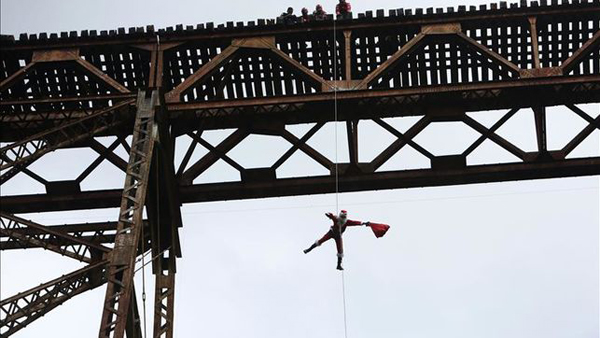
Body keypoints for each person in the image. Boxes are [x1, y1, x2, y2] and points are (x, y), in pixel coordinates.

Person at [303, 210, 370, 270]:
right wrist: (328, 215)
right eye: (342, 217)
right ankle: (309, 249)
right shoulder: (336, 219)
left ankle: (338, 265)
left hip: (338, 236)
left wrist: (363, 223)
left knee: (340, 250)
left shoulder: (347, 222)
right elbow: (332, 216)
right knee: (320, 241)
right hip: (331, 233)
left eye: (344, 217)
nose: (342, 219)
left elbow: (355, 223)